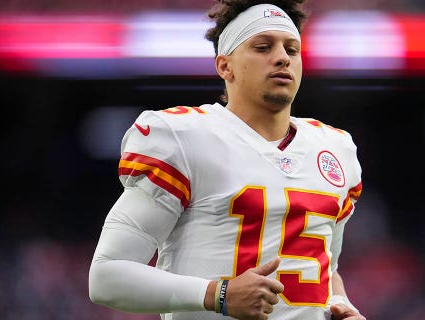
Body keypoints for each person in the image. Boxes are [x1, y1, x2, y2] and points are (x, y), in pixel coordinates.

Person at [88, 1, 366, 319]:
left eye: (292, 49)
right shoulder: (184, 136)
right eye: (263, 47)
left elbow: (327, 271)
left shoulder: (335, 148)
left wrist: (342, 304)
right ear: (225, 66)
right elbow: (107, 277)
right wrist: (216, 295)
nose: (281, 58)